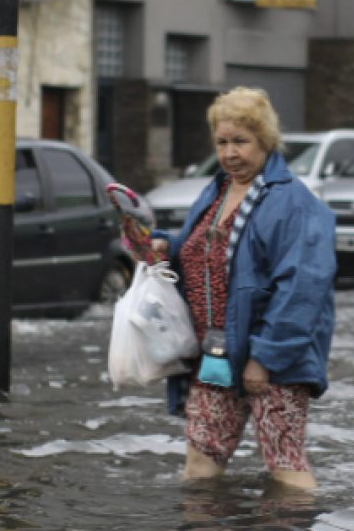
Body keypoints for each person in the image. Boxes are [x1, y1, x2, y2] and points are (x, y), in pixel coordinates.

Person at [144, 86, 336, 491]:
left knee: (285, 468)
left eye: (241, 142)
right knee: (200, 464)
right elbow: (200, 259)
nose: (230, 153)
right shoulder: (215, 191)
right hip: (215, 355)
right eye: (222, 142)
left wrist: (265, 357)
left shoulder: (292, 202)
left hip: (273, 360)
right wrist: (165, 248)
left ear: (265, 141)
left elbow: (303, 288)